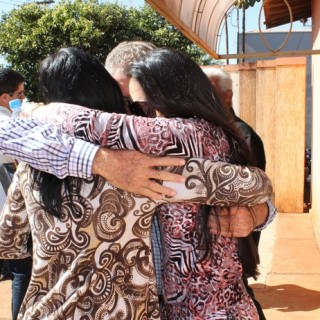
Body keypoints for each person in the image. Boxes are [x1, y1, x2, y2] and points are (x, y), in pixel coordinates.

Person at [0, 48, 272, 319]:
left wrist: (36, 112)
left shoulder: (150, 154)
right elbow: (251, 184)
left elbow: (9, 242)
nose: (133, 115)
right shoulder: (141, 167)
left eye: (138, 106)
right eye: (128, 103)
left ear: (165, 94)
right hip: (144, 309)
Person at [203, 66, 267, 319]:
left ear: (227, 96)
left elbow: (254, 199)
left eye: (210, 92)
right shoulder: (213, 132)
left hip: (236, 244)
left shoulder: (243, 137)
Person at [0, 68, 32, 320]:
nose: (23, 98)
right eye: (19, 94)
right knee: (23, 271)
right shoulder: (8, 124)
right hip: (13, 216)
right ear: (4, 97)